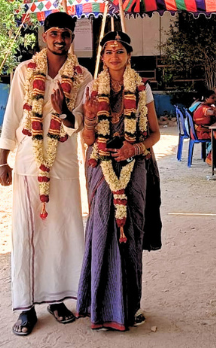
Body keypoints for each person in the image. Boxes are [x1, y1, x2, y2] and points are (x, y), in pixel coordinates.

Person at [0, 12, 93, 336]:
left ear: (71, 38)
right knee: (26, 235)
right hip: (27, 163)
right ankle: (25, 307)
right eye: (53, 33)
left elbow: (81, 120)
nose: (59, 39)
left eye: (65, 34)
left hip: (64, 163)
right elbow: (12, 116)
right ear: (44, 36)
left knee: (63, 235)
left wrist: (65, 111)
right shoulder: (24, 72)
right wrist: (2, 160)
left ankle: (57, 300)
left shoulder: (83, 76)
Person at [79, 30, 162, 332]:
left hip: (134, 164)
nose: (114, 57)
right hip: (100, 165)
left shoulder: (142, 88)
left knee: (131, 231)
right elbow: (87, 138)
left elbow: (155, 133)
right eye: (109, 52)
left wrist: (134, 148)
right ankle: (100, 308)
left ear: (129, 56)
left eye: (120, 51)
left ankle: (130, 306)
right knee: (101, 227)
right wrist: (89, 117)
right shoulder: (92, 87)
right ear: (102, 57)